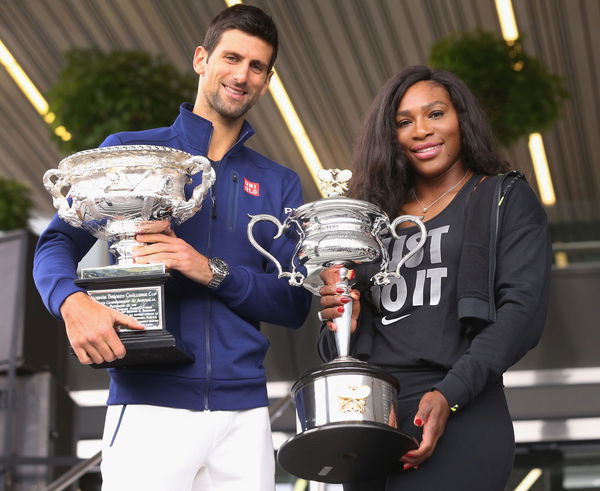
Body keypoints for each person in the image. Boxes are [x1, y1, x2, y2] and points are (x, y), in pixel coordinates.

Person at [33, 5, 311, 490]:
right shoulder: (130, 152)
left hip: (244, 414)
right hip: (148, 403)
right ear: (201, 59)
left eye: (257, 66)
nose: (241, 75)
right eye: (231, 58)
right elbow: (56, 241)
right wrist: (71, 303)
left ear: (267, 80)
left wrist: (209, 269)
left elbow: (294, 303)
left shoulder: (279, 183)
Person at [318, 65, 552, 490]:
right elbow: (340, 342)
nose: (421, 130)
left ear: (462, 119)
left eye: (436, 114)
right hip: (373, 420)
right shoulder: (373, 221)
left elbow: (522, 313)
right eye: (404, 122)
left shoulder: (501, 198)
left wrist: (449, 396)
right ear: (390, 139)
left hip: (464, 406)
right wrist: (339, 321)